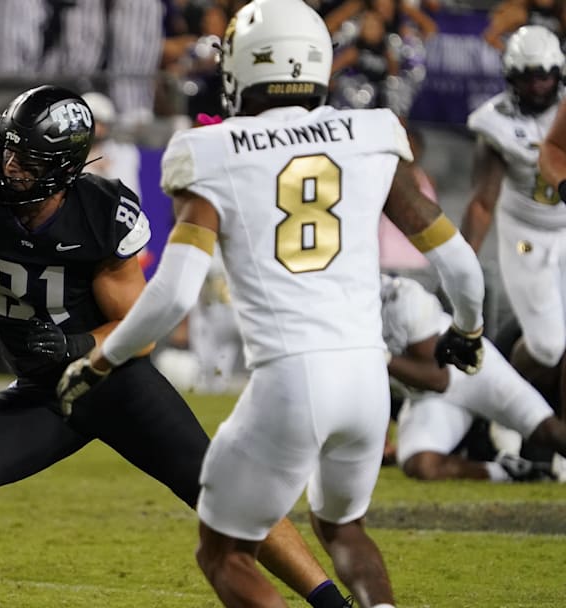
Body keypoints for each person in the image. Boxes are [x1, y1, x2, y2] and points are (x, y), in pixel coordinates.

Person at [56, 1, 486, 606]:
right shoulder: (371, 134)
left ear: (242, 68)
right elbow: (460, 262)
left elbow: (175, 293)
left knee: (225, 552)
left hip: (289, 379)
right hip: (367, 379)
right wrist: (467, 331)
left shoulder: (211, 150)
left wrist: (100, 361)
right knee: (343, 527)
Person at [0, 85, 357, 608]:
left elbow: (141, 330)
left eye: (26, 159)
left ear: (61, 165)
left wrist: (75, 342)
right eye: (6, 150)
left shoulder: (100, 212)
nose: (9, 166)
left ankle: (332, 602)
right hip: (43, 390)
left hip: (113, 381)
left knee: (223, 494)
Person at [380, 274, 566, 481]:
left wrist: (380, 356)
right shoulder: (345, 316)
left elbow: (439, 378)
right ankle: (508, 472)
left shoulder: (402, 297)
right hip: (426, 397)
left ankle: (499, 427)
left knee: (551, 432)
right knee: (423, 464)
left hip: (473, 372)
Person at [466, 25, 566, 411]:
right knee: (546, 346)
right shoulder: (495, 121)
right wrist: (464, 258)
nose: (538, 86)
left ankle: (548, 433)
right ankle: (500, 408)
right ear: (511, 77)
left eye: (545, 75)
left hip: (564, 227)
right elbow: (481, 203)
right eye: (528, 76)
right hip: (526, 233)